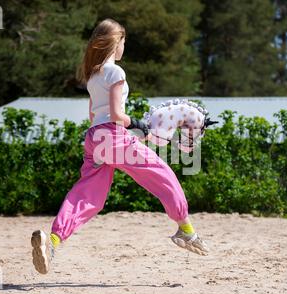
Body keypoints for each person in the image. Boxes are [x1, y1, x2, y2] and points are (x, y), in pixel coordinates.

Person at [31, 18, 209, 275]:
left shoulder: (93, 76)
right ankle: (186, 230)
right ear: (116, 43)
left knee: (87, 196)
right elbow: (116, 114)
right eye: (123, 42)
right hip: (113, 135)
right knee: (164, 176)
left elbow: (95, 115)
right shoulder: (116, 72)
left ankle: (54, 241)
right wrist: (135, 123)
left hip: (95, 140)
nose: (124, 47)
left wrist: (131, 134)